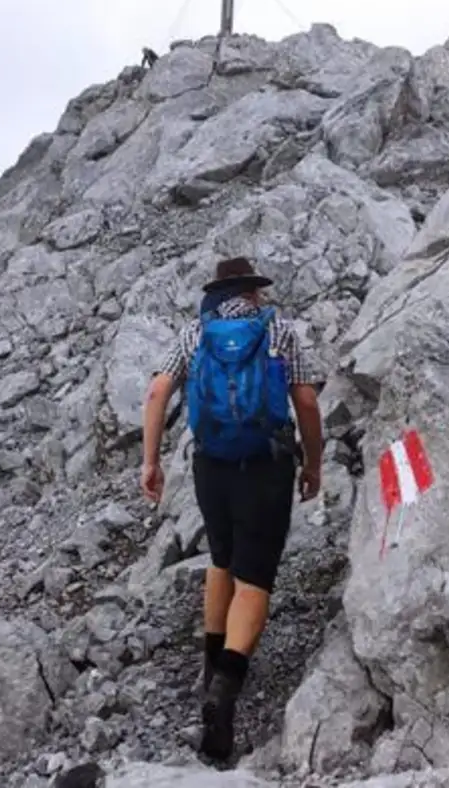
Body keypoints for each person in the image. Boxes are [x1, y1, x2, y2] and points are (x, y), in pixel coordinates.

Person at [138, 256, 323, 761]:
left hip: (211, 466)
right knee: (255, 579)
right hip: (266, 465)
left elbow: (157, 391)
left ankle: (209, 668)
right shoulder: (278, 330)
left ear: (218, 293)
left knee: (221, 561)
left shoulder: (196, 333)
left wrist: (150, 463)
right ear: (254, 292)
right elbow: (305, 402)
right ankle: (225, 690)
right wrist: (314, 465)